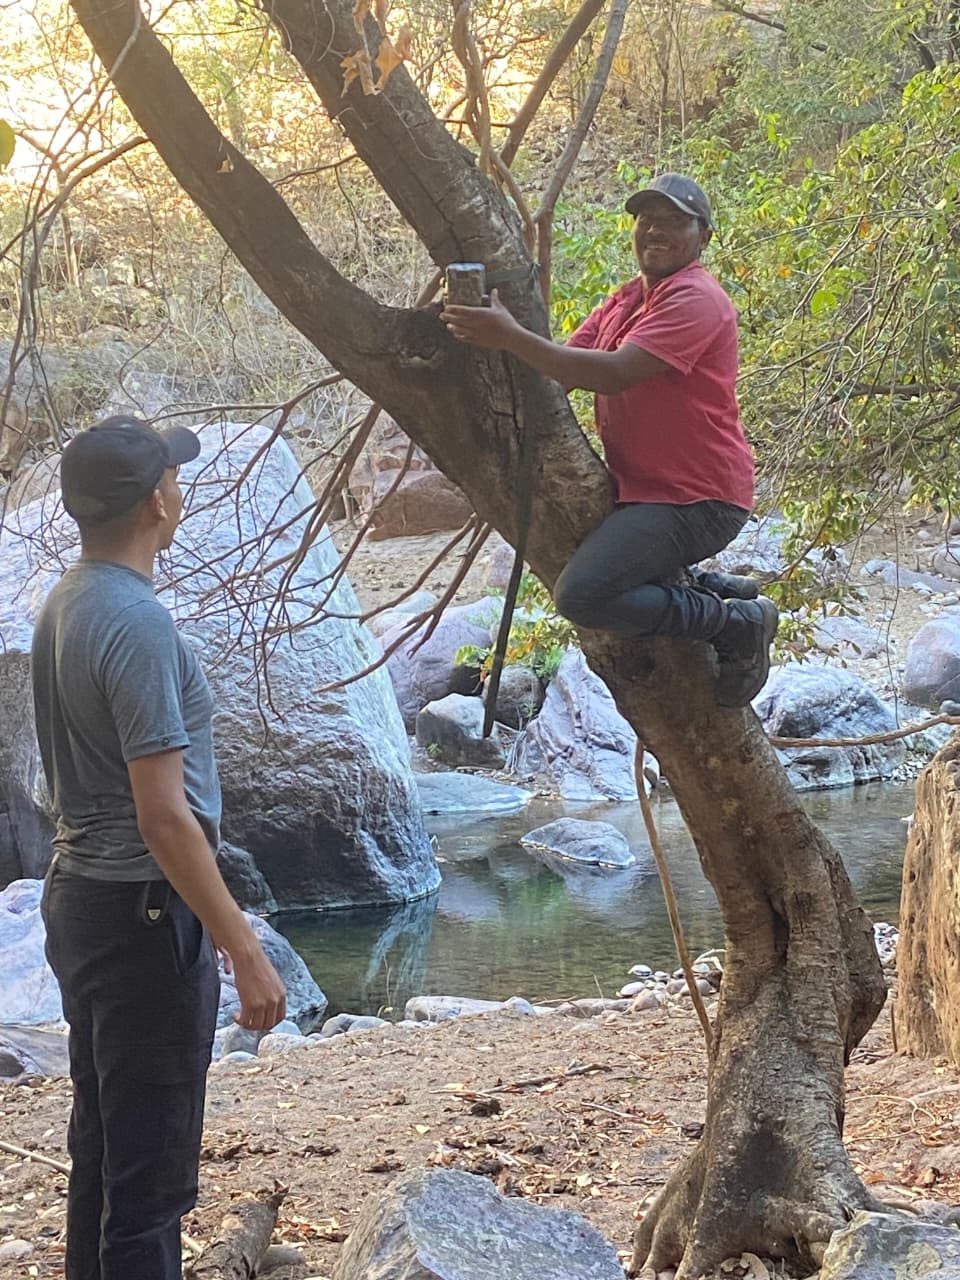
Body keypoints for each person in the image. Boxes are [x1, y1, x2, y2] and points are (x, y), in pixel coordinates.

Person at [32, 416, 287, 1280]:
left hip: (80, 900)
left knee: (105, 1150)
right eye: (172, 478)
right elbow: (164, 816)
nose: (180, 488)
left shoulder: (66, 599)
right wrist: (243, 947)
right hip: (143, 915)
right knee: (151, 1182)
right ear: (157, 503)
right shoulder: (136, 624)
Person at [440, 172, 777, 707]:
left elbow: (615, 372)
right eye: (647, 220)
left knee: (583, 595)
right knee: (594, 585)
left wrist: (509, 335)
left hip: (698, 498)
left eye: (673, 222)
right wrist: (490, 337)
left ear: (703, 237)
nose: (656, 231)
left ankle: (733, 621)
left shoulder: (696, 299)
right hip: (647, 493)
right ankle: (706, 588)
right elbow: (568, 365)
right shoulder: (628, 299)